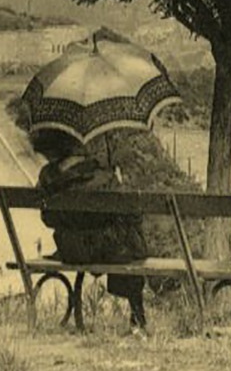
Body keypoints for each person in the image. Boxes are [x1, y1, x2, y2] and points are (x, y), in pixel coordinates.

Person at [32, 130, 149, 330]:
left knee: (124, 239)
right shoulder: (103, 176)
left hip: (70, 250)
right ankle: (137, 315)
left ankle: (137, 316)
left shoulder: (47, 176)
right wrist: (118, 179)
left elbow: (48, 218)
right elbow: (131, 214)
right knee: (131, 240)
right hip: (105, 250)